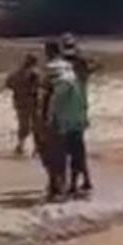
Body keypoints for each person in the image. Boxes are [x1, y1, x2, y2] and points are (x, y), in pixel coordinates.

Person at [48, 54, 90, 199]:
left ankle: (66, 186)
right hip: (74, 125)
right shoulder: (75, 83)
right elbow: (81, 106)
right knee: (76, 156)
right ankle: (72, 185)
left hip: (66, 126)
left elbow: (55, 107)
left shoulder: (63, 85)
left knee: (65, 157)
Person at [38, 41, 72, 201]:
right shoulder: (68, 69)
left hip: (54, 117)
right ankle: (61, 185)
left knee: (49, 152)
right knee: (62, 153)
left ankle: (55, 186)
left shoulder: (50, 69)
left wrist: (44, 119)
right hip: (70, 115)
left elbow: (45, 95)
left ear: (49, 51)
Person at [4, 54, 40, 156]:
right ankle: (35, 147)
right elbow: (40, 87)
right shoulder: (34, 74)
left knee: (24, 125)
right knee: (35, 126)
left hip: (20, 102)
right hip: (32, 102)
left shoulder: (16, 74)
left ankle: (21, 146)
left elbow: (8, 84)